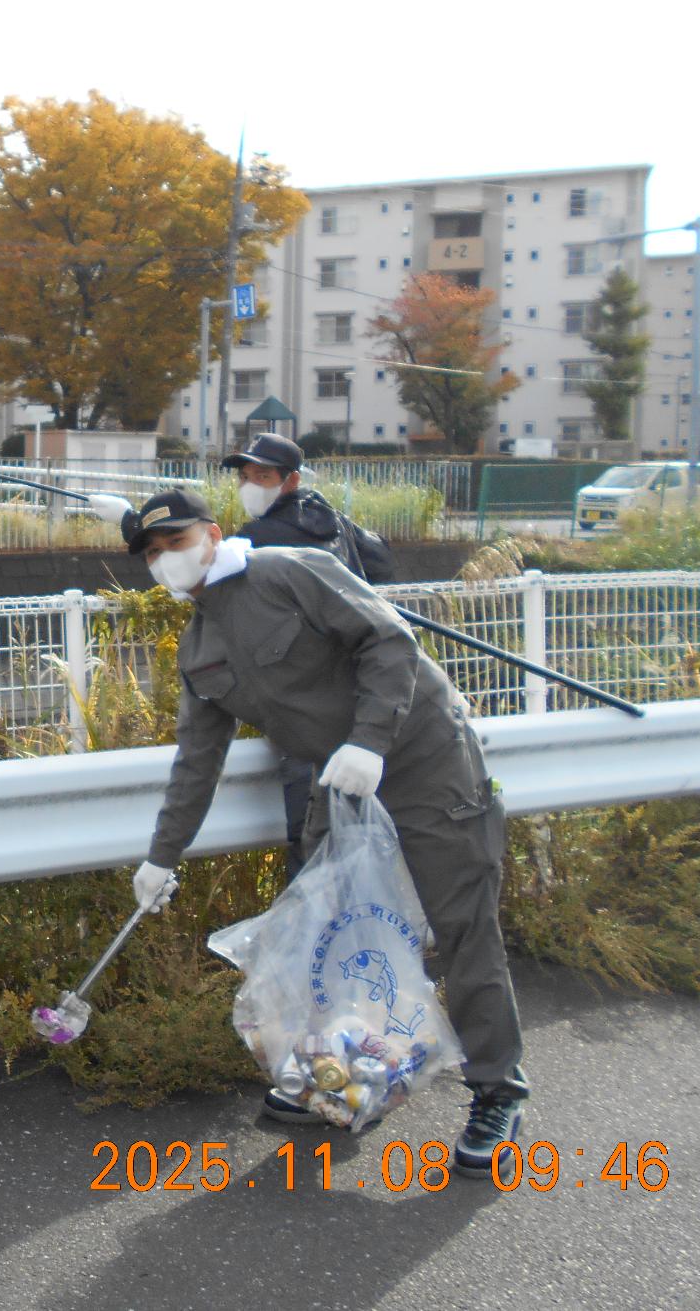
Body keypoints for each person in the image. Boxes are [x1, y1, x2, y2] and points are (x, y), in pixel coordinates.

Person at [119, 488, 527, 1173]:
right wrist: (162, 858)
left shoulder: (288, 571)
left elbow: (389, 639)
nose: (168, 561)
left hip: (422, 756)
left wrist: (371, 741)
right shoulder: (199, 649)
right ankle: (342, 1077)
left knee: (461, 924)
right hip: (337, 785)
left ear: (213, 534)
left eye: (177, 543)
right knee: (331, 936)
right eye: (154, 554)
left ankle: (496, 1088)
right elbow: (197, 763)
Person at [222, 431, 395, 881]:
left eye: (262, 476)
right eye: (244, 476)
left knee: (309, 831)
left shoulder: (261, 537)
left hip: (304, 698)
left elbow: (205, 581)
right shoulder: (329, 518)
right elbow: (379, 562)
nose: (249, 485)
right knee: (356, 828)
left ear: (290, 480)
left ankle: (318, 938)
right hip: (358, 692)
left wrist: (132, 527)